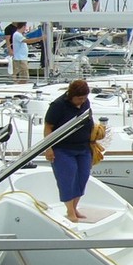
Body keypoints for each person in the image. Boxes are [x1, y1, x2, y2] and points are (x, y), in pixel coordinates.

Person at [44, 79, 95, 222]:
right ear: (71, 95)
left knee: (82, 177)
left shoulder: (85, 103)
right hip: (63, 148)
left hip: (83, 147)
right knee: (68, 177)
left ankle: (74, 208)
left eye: (84, 98)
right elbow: (48, 126)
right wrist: (49, 148)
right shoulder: (58, 105)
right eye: (79, 98)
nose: (81, 101)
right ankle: (70, 211)